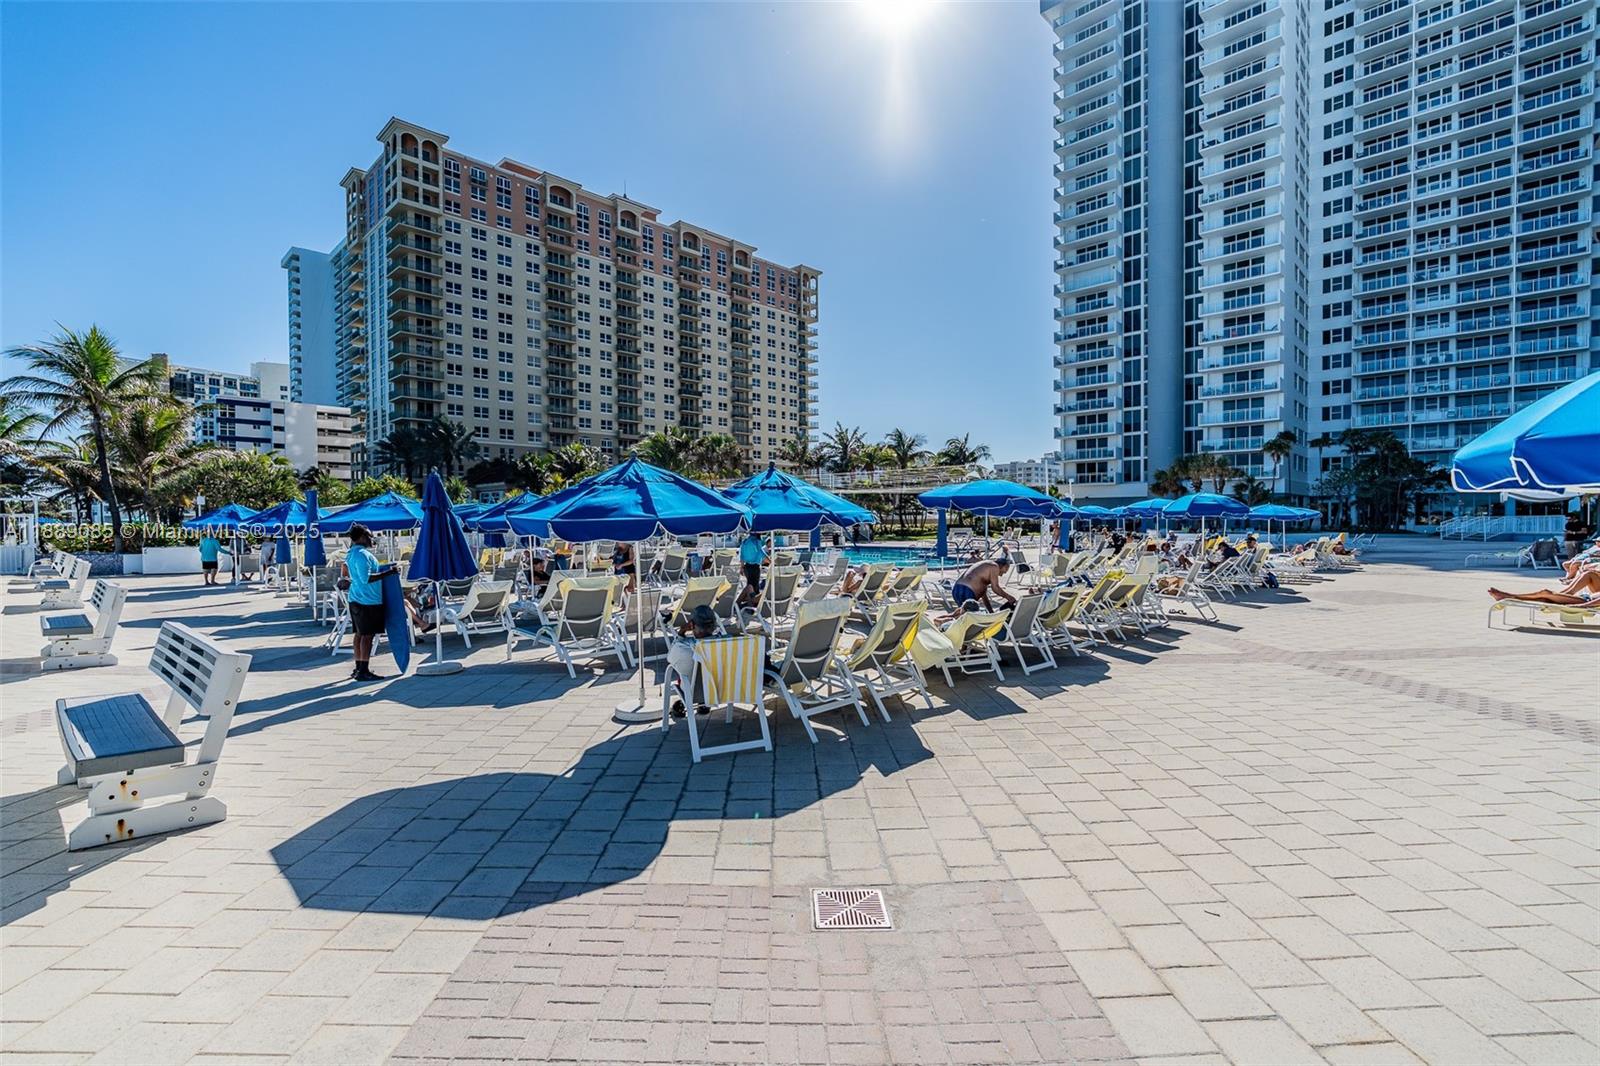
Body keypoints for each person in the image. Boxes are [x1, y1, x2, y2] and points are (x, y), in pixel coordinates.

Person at [342, 523, 396, 682]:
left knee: (359, 635)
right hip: (367, 600)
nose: (371, 538)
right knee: (367, 636)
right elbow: (366, 579)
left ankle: (359, 668)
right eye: (368, 535)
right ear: (360, 537)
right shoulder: (362, 555)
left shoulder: (352, 553)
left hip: (357, 598)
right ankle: (363, 671)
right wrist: (389, 573)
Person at [666, 604, 719, 719]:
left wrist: (681, 632)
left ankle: (694, 703)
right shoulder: (726, 645)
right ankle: (704, 704)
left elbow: (670, 658)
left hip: (695, 693)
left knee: (682, 669)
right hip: (721, 690)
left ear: (692, 624)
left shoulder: (685, 648)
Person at [1488, 564, 1600, 607]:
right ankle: (1566, 593)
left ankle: (1509, 596)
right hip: (1590, 596)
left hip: (1586, 601)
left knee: (1545, 594)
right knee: (1589, 574)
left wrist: (1583, 606)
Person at [948, 557, 1016, 615]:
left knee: (963, 616)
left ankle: (942, 622)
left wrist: (991, 613)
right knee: (969, 618)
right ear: (1003, 565)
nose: (1001, 575)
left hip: (957, 589)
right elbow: (995, 588)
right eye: (1005, 570)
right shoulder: (994, 566)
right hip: (967, 591)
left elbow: (984, 596)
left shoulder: (985, 567)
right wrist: (1009, 597)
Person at [737, 531, 766, 610]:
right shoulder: (757, 541)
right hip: (755, 567)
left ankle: (742, 603)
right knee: (753, 586)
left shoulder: (745, 541)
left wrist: (741, 567)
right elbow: (761, 553)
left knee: (750, 585)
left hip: (747, 567)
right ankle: (751, 605)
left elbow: (742, 555)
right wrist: (771, 561)